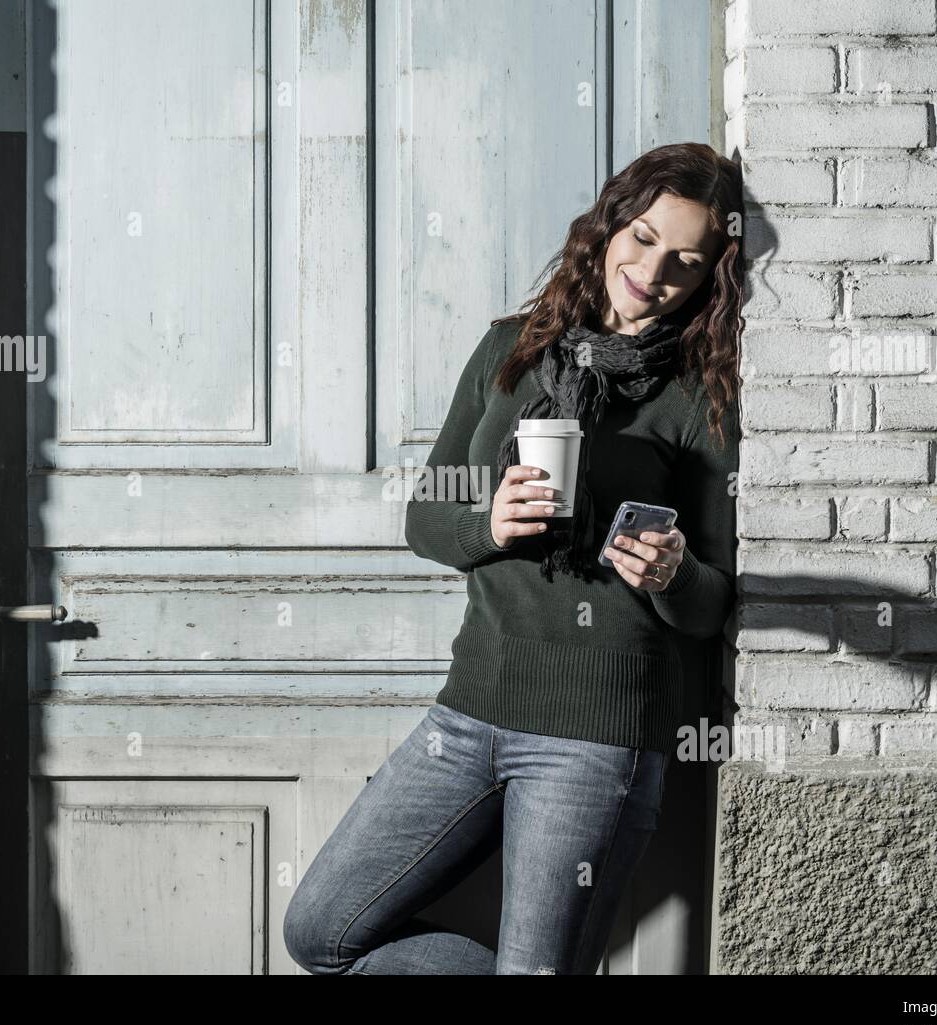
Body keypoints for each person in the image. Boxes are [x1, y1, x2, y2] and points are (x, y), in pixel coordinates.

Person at [284, 142, 744, 975]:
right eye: (641, 237)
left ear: (710, 274)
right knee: (320, 931)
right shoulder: (510, 351)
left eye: (685, 259)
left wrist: (675, 575)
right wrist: (489, 525)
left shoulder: (695, 394)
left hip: (599, 738)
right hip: (468, 713)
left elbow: (715, 600)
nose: (652, 271)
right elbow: (426, 519)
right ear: (608, 227)